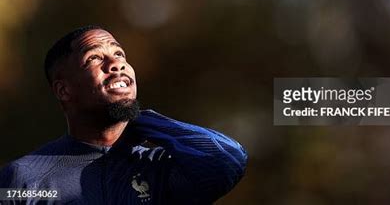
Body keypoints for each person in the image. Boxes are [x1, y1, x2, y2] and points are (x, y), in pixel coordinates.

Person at [0, 25, 247, 204]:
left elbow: (228, 159)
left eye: (119, 55)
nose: (116, 64)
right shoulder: (23, 179)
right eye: (94, 58)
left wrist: (141, 119)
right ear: (64, 90)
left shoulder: (159, 169)